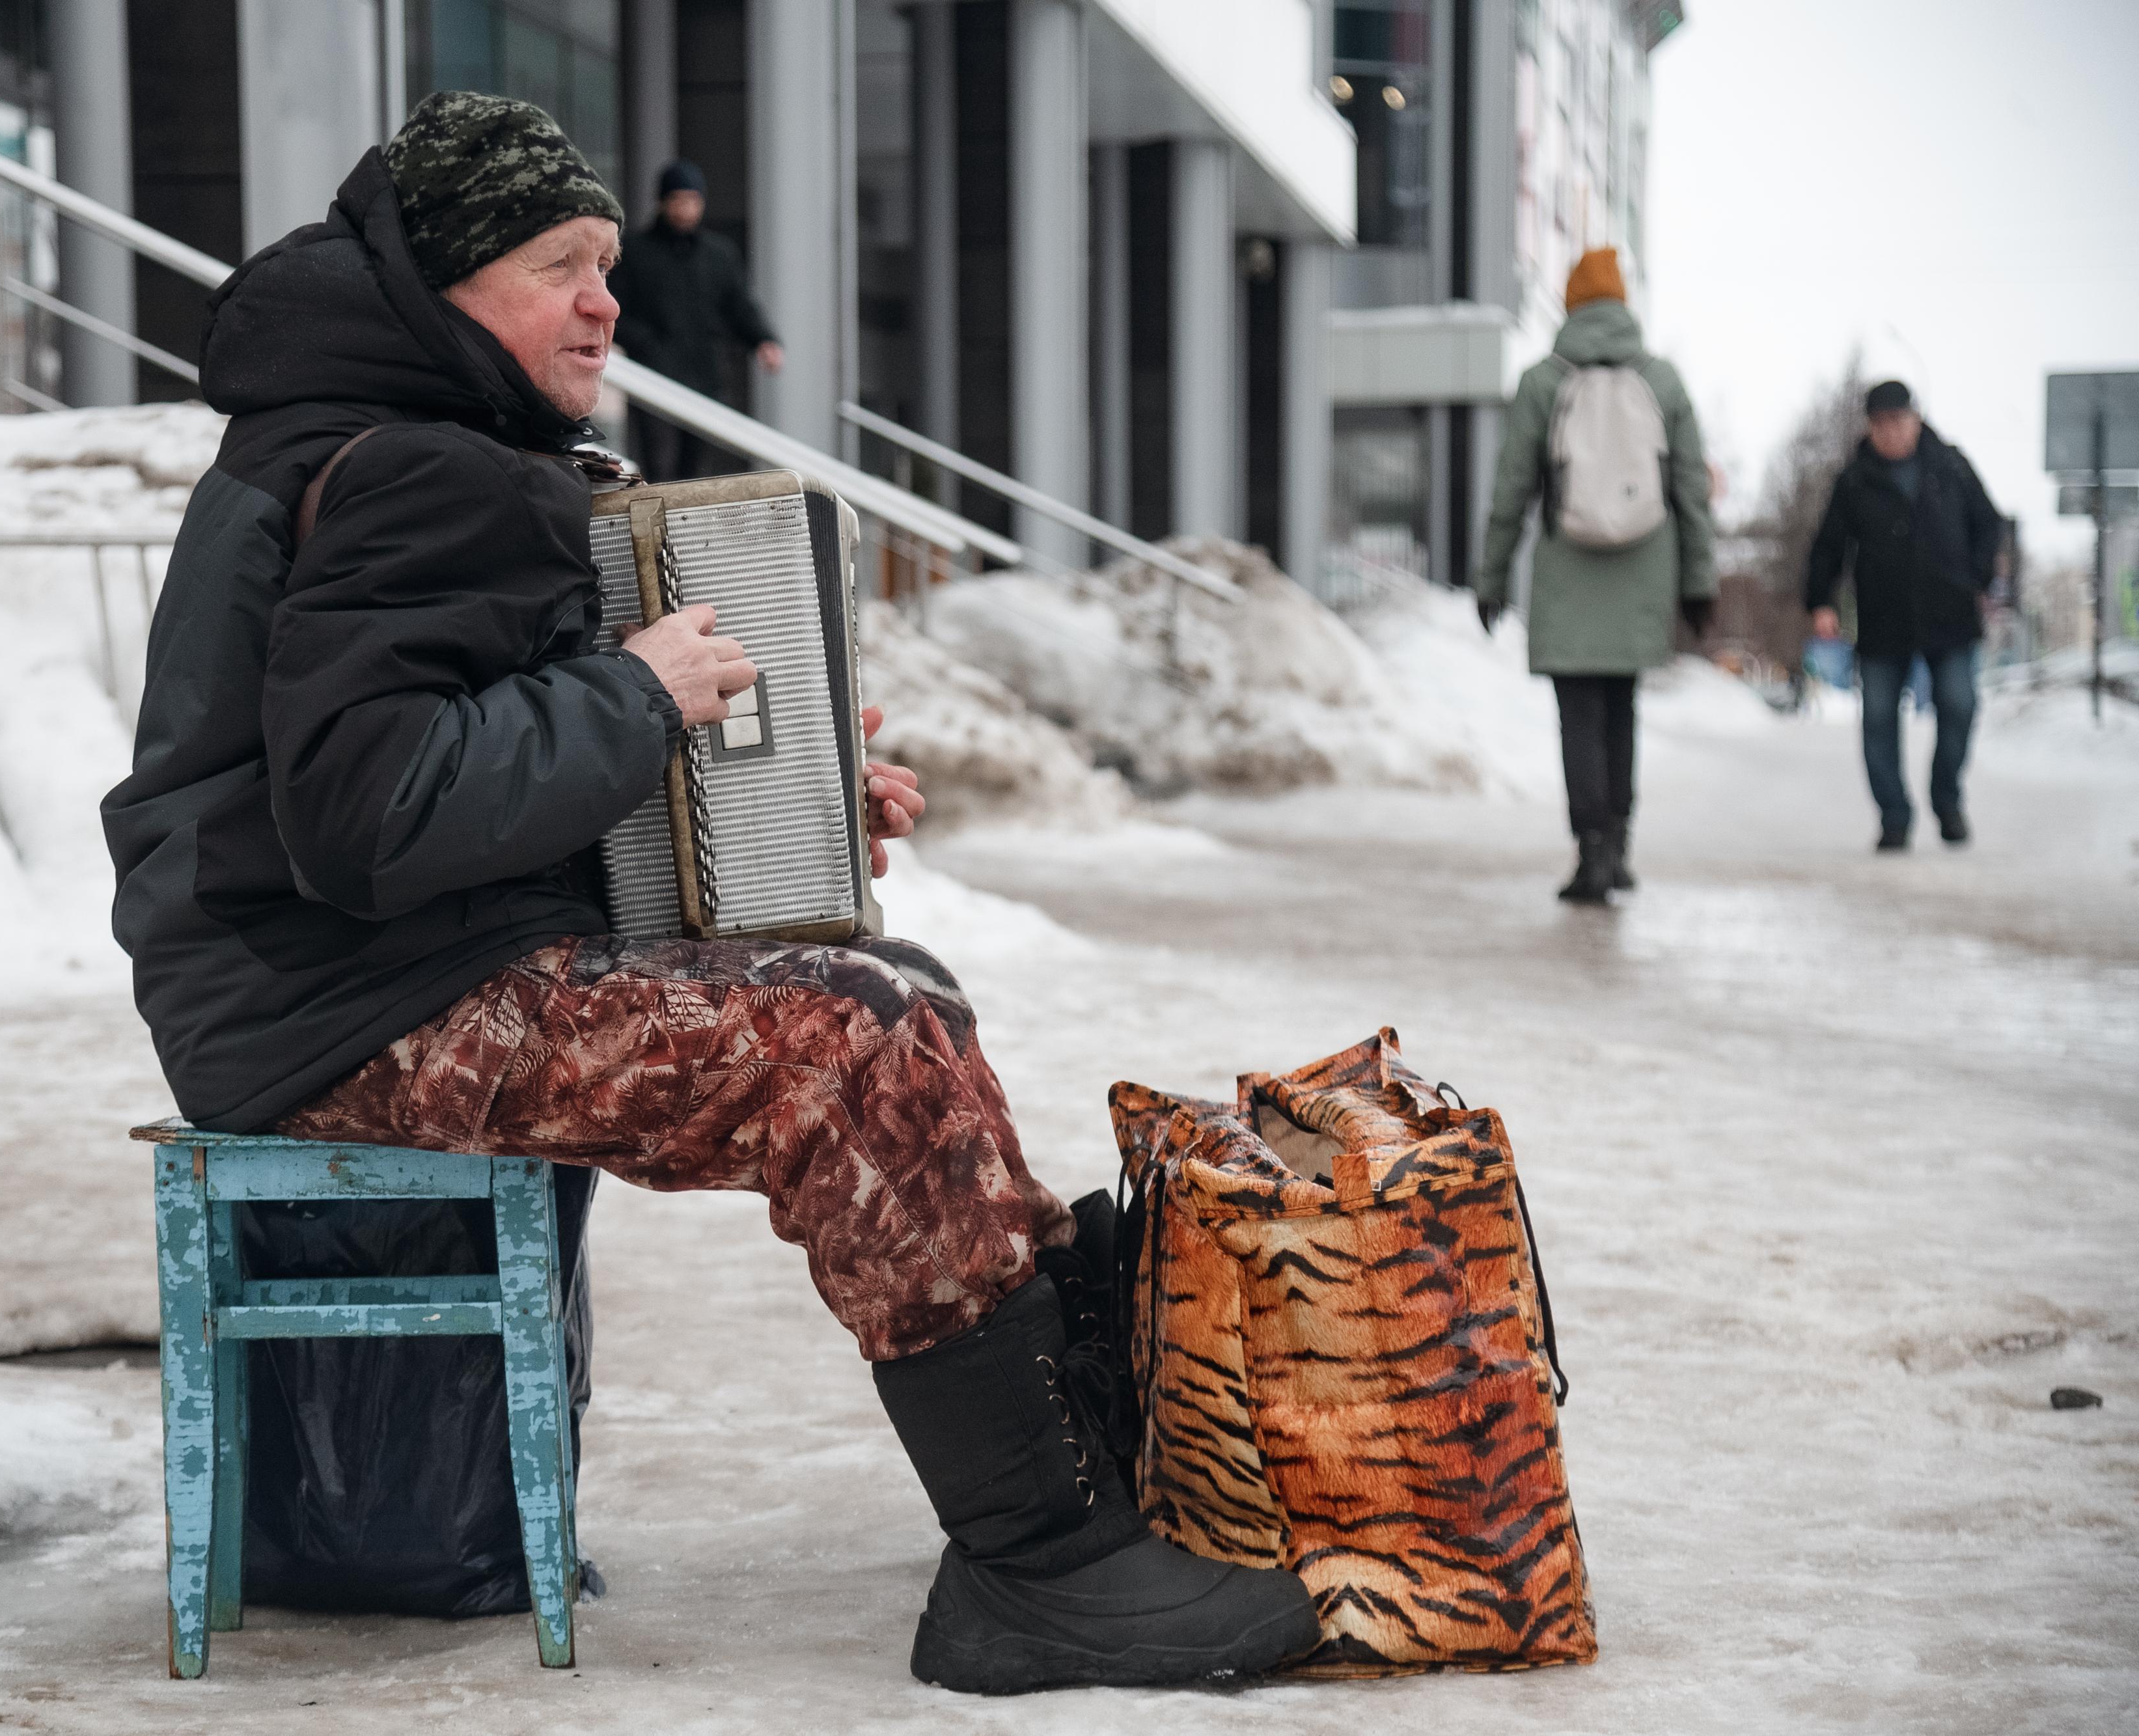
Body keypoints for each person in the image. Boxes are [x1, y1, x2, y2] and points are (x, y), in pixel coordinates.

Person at [101, 92, 1316, 1694]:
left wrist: (794, 807)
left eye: (608, 261)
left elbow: (464, 778)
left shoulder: (402, 444)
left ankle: (1069, 1492)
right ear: (444, 283)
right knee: (859, 1046)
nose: (605, 299)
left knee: (901, 993)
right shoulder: (403, 467)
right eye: (560, 265)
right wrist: (637, 696)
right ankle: (1043, 1570)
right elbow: (369, 818)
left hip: (359, 978)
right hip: (342, 1014)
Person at [1474, 247, 1717, 905]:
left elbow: (1511, 490)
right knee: (1621, 711)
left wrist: (1490, 576)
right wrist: (1699, 581)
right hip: (1644, 571)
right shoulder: (1663, 382)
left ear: (1571, 304)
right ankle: (1619, 847)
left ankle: (1590, 854)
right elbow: (1691, 490)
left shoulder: (1542, 382)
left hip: (1568, 572)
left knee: (1577, 717)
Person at [1804, 380, 2002, 849]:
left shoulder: (1949, 465)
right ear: (1870, 428)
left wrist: (1978, 580)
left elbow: (1988, 523)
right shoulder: (1855, 479)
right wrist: (1821, 601)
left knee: (1959, 704)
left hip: (1949, 614)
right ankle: (1894, 815)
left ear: (1915, 418)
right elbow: (1827, 546)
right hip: (1882, 617)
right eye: (1881, 424)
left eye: (1899, 420)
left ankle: (1946, 796)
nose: (1891, 431)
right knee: (1877, 718)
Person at [605, 159, 781, 481]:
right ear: (662, 202)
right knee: (658, 467)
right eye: (678, 199)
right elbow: (616, 311)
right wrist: (647, 345)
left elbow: (739, 305)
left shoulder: (719, 254)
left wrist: (764, 340)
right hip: (653, 379)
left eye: (693, 200)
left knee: (696, 473)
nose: (686, 209)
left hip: (705, 378)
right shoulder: (635, 251)